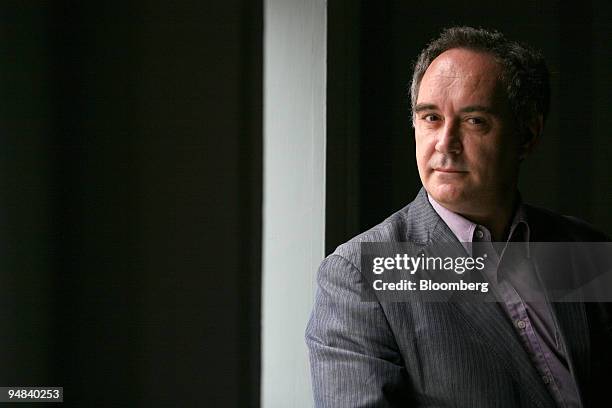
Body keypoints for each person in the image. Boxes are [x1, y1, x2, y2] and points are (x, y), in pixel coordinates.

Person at [305, 26, 612, 407]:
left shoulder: (585, 248)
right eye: (431, 117)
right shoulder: (360, 274)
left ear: (528, 136)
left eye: (474, 121)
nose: (445, 143)